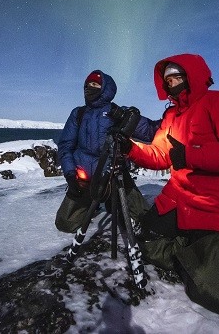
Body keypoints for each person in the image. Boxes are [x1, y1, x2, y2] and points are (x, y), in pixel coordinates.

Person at [116, 53, 219, 317]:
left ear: (192, 76)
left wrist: (191, 155)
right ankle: (195, 246)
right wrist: (131, 149)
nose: (172, 84)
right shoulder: (171, 116)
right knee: (144, 243)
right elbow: (161, 155)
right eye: (168, 80)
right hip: (179, 198)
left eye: (177, 77)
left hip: (218, 203)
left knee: (211, 294)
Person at [55, 69, 156, 234]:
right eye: (87, 84)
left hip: (115, 176)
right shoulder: (78, 114)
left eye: (95, 84)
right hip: (84, 179)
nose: (89, 87)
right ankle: (93, 204)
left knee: (141, 219)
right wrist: (70, 175)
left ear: (105, 89)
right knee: (66, 223)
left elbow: (150, 132)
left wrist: (174, 118)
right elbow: (66, 145)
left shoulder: (118, 112)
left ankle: (112, 200)